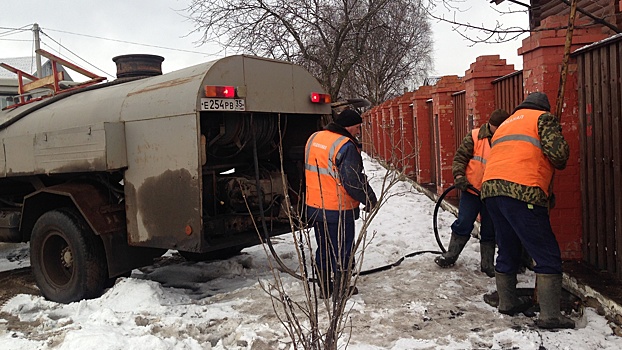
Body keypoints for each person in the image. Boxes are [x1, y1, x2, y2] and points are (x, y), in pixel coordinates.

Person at [481, 92, 574, 329]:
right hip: (522, 193)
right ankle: (551, 316)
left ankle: (507, 302)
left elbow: (518, 158)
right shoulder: (542, 119)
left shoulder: (505, 125)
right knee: (546, 252)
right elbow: (559, 156)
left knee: (508, 245)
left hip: (491, 190)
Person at [304, 109, 377, 299]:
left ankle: (324, 288)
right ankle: (341, 290)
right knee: (342, 250)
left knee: (324, 247)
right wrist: (368, 198)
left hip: (315, 206)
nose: (359, 131)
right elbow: (352, 180)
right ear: (349, 126)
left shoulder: (314, 138)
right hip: (337, 208)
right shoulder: (345, 145)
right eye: (358, 127)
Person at [434, 109, 510, 277]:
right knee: (464, 222)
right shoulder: (475, 137)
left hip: (493, 194)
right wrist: (459, 176)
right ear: (491, 125)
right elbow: (460, 158)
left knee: (490, 229)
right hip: (471, 191)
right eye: (496, 128)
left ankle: (487, 264)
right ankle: (451, 255)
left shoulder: (507, 140)